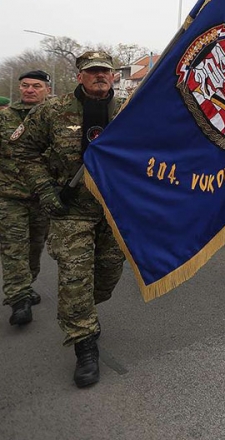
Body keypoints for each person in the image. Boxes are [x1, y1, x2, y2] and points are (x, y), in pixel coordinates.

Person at [13, 51, 126, 387]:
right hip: (70, 209)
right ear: (80, 76)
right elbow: (23, 151)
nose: (100, 76)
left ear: (113, 76)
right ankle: (84, 343)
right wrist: (46, 192)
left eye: (105, 71)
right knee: (75, 277)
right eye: (92, 72)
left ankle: (83, 312)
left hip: (114, 211)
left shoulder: (128, 112)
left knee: (106, 276)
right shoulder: (51, 110)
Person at [0, 70, 52, 326]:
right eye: (25, 86)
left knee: (35, 247)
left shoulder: (56, 118)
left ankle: (26, 285)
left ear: (47, 91)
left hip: (42, 197)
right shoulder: (5, 118)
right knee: (13, 248)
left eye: (36, 86)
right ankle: (18, 299)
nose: (30, 90)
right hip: (9, 196)